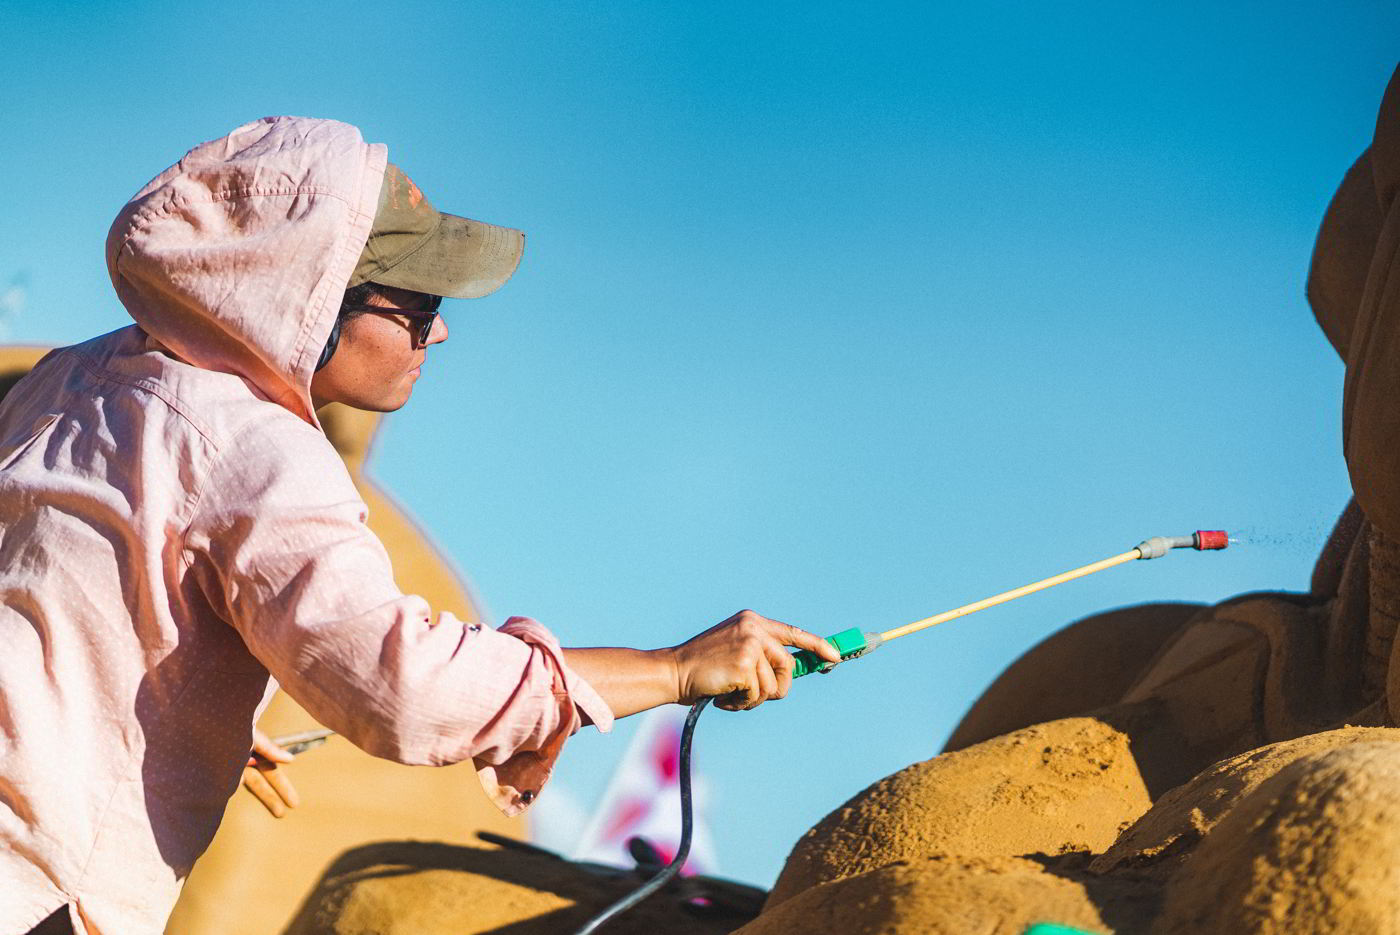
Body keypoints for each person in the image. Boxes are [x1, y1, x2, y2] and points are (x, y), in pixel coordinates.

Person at [0, 116, 840, 935]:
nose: (438, 328)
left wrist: (186, 697)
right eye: (415, 301)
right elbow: (403, 684)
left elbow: (63, 579)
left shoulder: (75, 377)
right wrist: (676, 667)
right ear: (307, 296)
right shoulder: (260, 450)